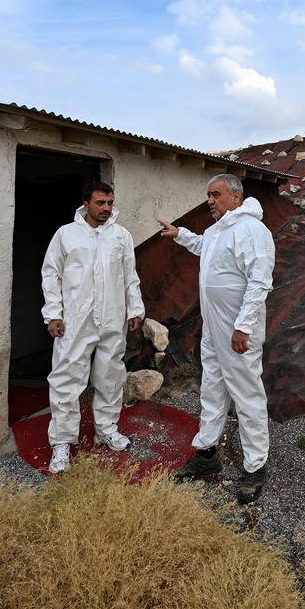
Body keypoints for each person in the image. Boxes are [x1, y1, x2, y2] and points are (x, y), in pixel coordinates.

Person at [158, 173, 275, 504]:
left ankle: (256, 466)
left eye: (216, 194)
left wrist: (243, 326)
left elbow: (260, 281)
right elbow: (204, 247)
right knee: (212, 389)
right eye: (208, 195)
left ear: (235, 197)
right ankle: (207, 453)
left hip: (237, 330)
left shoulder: (252, 230)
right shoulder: (217, 230)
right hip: (213, 328)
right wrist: (180, 234)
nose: (209, 200)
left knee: (247, 394)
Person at [41, 181, 144, 474]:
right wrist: (53, 314)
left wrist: (134, 308)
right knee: (66, 378)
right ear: (85, 204)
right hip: (76, 319)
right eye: (100, 203)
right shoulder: (66, 234)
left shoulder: (121, 236)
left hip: (112, 316)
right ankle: (62, 442)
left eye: (110, 203)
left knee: (110, 375)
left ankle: (107, 429)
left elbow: (130, 276)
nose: (106, 209)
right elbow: (51, 275)